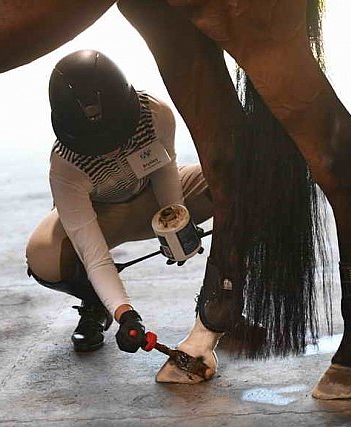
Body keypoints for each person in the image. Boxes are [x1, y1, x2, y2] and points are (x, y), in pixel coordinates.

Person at [25, 50, 213, 353]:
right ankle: (95, 303)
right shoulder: (65, 166)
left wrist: (176, 225)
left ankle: (227, 287)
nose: (109, 152)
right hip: (102, 215)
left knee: (226, 178)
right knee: (44, 257)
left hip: (150, 195)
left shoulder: (155, 114)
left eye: (116, 138)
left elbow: (164, 170)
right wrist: (126, 314)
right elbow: (94, 253)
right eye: (94, 146)